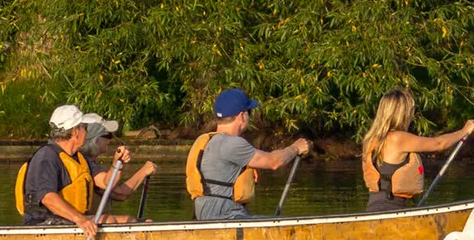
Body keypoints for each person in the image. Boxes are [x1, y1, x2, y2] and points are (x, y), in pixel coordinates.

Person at [185, 87, 310, 221]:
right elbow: (275, 161)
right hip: (226, 215)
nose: (249, 116)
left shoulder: (206, 140)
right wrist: (296, 147)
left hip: (204, 214)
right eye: (249, 112)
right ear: (241, 116)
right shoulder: (232, 143)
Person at [17, 104, 140, 232]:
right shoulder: (47, 157)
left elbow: (106, 183)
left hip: (66, 220)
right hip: (43, 223)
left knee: (127, 220)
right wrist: (81, 219)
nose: (86, 133)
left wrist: (117, 164)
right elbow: (48, 198)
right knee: (109, 221)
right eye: (85, 128)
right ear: (76, 132)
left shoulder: (79, 158)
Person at [360, 90, 474, 212]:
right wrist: (464, 131)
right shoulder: (398, 138)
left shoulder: (371, 139)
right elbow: (438, 144)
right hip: (390, 210)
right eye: (410, 111)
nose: (412, 116)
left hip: (373, 209)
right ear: (402, 114)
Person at [81, 113, 156, 206]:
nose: (110, 140)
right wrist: (143, 171)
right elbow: (113, 188)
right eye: (108, 135)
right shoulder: (83, 163)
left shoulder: (88, 162)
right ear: (94, 139)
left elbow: (120, 195)